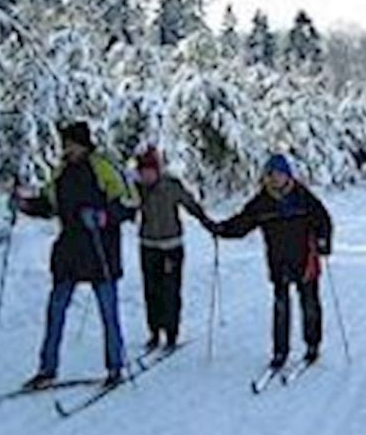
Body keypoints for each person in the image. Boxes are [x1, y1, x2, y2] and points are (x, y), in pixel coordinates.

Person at [12, 122, 139, 389]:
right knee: (55, 310)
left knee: (108, 311)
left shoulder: (103, 166)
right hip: (69, 252)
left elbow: (129, 204)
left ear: (83, 143)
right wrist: (24, 205)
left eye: (71, 143)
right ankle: (47, 369)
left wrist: (105, 216)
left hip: (100, 250)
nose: (67, 148)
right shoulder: (61, 173)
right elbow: (49, 205)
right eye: (65, 143)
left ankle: (115, 366)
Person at [213, 154, 332, 370]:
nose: (275, 179)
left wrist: (324, 241)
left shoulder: (303, 197)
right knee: (280, 307)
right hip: (279, 261)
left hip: (306, 260)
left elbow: (323, 219)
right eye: (271, 175)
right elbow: (243, 222)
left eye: (279, 174)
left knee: (310, 305)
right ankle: (280, 352)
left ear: (288, 175)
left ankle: (312, 345)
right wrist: (222, 229)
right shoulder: (262, 202)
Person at [134, 146, 215, 351]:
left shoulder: (171, 186)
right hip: (148, 245)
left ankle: (171, 333)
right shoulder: (138, 189)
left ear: (158, 170)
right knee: (151, 291)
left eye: (149, 171)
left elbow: (190, 204)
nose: (146, 175)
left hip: (171, 246)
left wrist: (208, 222)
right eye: (142, 171)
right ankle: (154, 332)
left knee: (170, 290)